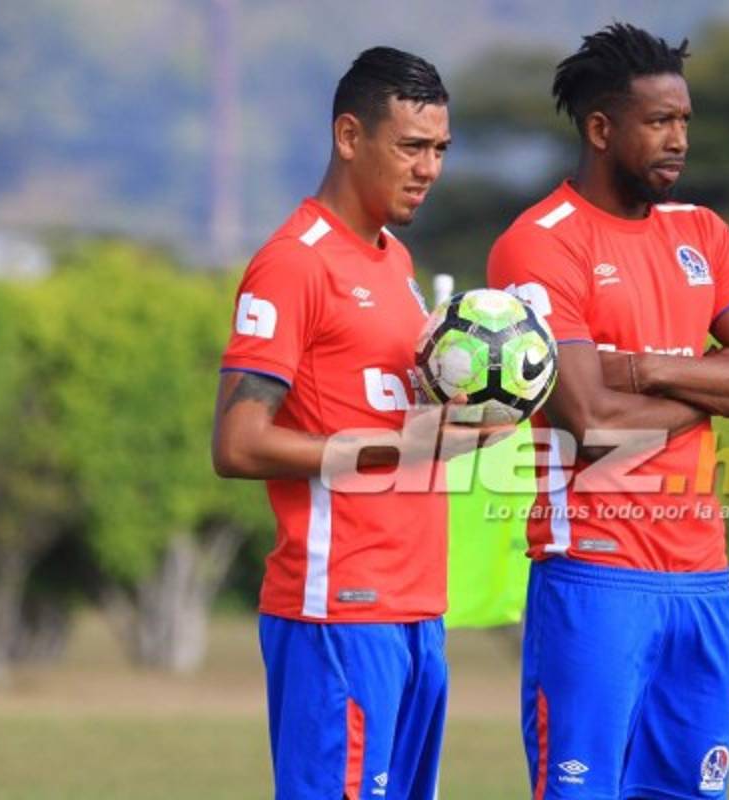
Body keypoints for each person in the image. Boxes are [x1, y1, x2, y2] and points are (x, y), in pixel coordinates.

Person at [487, 23, 729, 800]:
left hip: (703, 581)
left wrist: (652, 368)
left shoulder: (703, 233)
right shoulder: (539, 245)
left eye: (684, 120)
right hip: (596, 576)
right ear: (601, 129)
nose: (679, 139)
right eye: (660, 121)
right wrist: (714, 381)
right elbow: (593, 423)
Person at [212, 47, 499, 800]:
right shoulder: (292, 263)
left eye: (440, 149)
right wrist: (403, 447)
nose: (429, 169)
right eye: (411, 147)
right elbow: (238, 443)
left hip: (417, 609)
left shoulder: (395, 260)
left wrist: (471, 416)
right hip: (338, 610)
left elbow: (393, 417)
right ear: (348, 135)